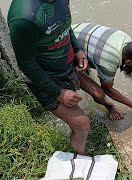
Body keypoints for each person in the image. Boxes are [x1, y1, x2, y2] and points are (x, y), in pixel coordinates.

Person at [7, 0, 92, 155]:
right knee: (82, 125)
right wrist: (58, 93)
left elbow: (65, 25)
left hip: (65, 64)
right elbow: (27, 64)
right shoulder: (24, 18)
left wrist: (78, 49)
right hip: (44, 77)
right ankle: (80, 162)